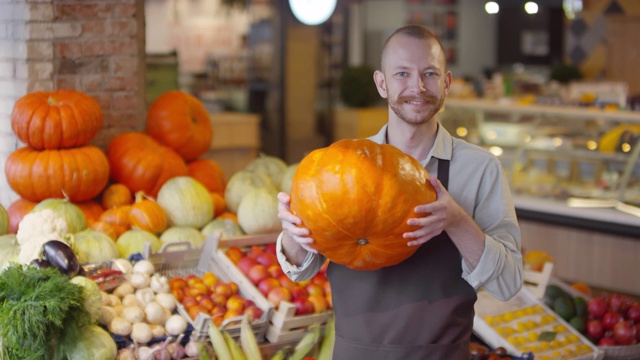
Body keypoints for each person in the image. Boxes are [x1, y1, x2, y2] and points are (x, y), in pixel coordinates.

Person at [275, 25, 523, 359]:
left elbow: (508, 284)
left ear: (447, 83)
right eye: (402, 73)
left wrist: (456, 220)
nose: (418, 87)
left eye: (430, 74)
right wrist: (293, 230)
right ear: (382, 83)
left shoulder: (479, 169)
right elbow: (300, 271)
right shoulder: (339, 166)